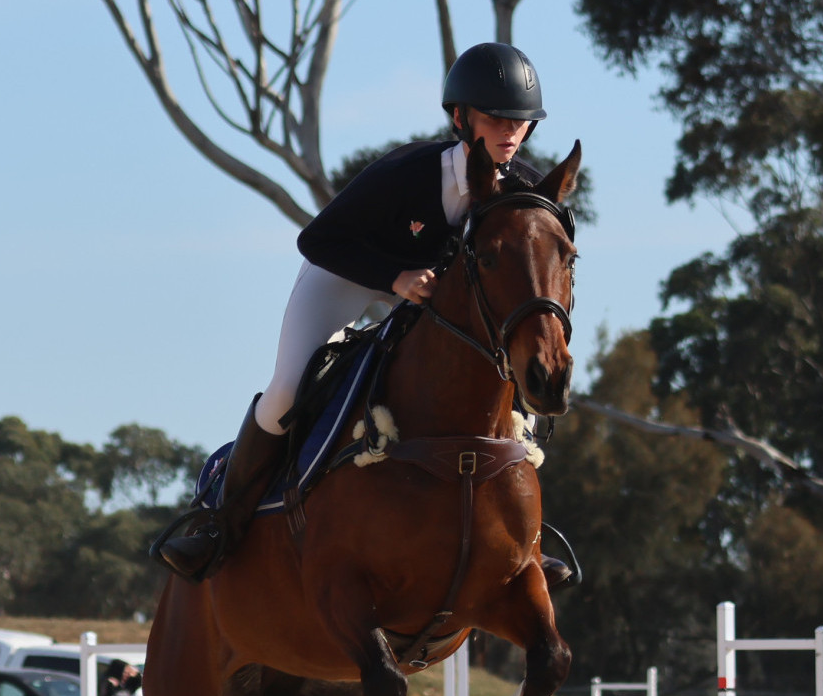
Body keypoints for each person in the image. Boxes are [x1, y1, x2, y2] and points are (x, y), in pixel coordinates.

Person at [152, 42, 551, 581]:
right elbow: (317, 240)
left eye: (521, 123)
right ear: (460, 117)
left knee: (498, 382)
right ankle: (223, 522)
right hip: (346, 274)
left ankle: (523, 539)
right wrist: (395, 278)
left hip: (426, 300)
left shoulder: (523, 188)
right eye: (497, 118)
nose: (510, 133)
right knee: (288, 392)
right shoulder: (407, 171)